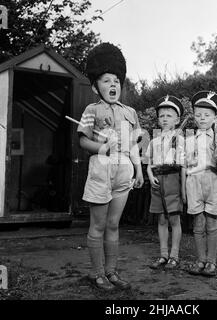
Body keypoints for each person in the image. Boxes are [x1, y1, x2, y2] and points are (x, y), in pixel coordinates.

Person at [77, 42, 144, 291]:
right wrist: (102, 148)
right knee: (98, 225)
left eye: (116, 80)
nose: (112, 85)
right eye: (106, 80)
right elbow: (83, 140)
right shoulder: (90, 110)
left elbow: (135, 145)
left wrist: (138, 170)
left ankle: (111, 271)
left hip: (124, 170)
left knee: (114, 224)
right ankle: (96, 274)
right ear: (96, 86)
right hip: (101, 169)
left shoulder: (131, 112)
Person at [182, 91, 217, 277]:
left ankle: (211, 262)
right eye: (198, 114)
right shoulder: (188, 140)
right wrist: (183, 189)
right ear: (194, 115)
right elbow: (184, 166)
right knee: (198, 224)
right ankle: (200, 260)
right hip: (194, 183)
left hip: (214, 182)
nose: (202, 118)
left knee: (212, 223)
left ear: (215, 117)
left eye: (207, 115)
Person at [146, 95, 184, 270]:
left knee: (174, 219)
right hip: (157, 181)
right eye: (162, 116)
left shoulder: (180, 140)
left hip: (172, 180)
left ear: (177, 120)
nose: (165, 119)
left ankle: (174, 256)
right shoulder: (153, 141)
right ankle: (163, 254)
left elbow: (183, 165)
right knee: (161, 219)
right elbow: (149, 163)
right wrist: (150, 174)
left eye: (169, 115)